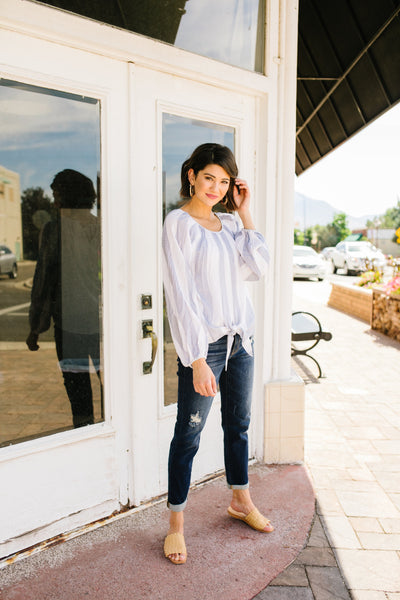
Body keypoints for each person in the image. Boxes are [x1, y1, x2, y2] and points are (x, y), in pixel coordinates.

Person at [162, 143, 273, 565]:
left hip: (240, 340)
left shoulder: (229, 225)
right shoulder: (179, 224)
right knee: (188, 434)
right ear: (191, 175)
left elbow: (258, 269)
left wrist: (245, 214)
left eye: (224, 181)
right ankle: (175, 525)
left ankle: (241, 501)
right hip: (204, 347)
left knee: (238, 425)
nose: (215, 187)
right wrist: (194, 359)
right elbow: (181, 295)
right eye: (209, 177)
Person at [26, 169, 102, 428]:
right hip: (100, 322)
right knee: (113, 385)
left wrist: (35, 327)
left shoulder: (54, 230)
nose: (54, 201)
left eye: (57, 195)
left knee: (78, 389)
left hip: (70, 326)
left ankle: (86, 435)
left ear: (69, 196)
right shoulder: (101, 227)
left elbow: (43, 281)